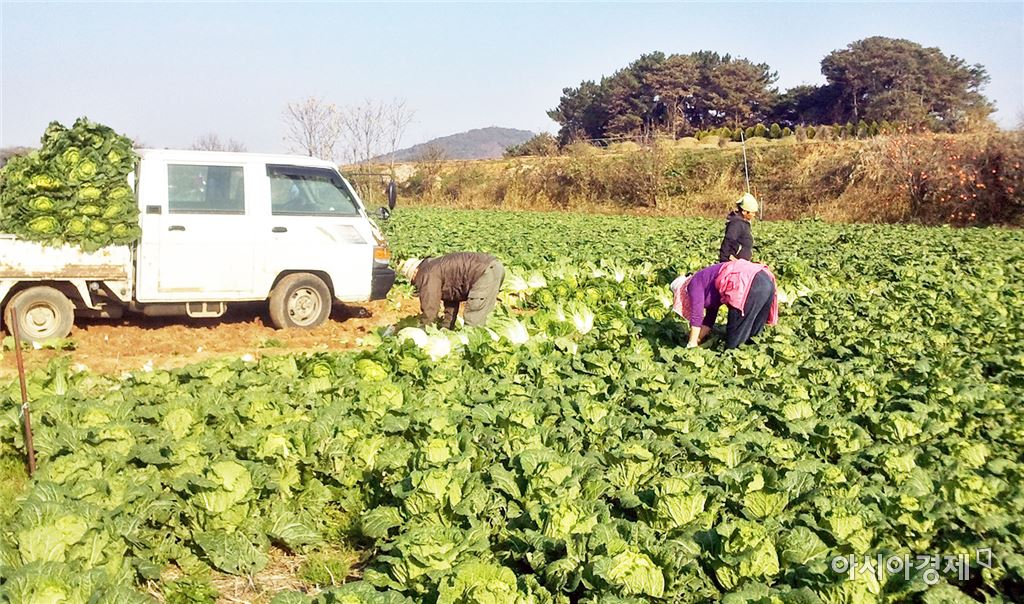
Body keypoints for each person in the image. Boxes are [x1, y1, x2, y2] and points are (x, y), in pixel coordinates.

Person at [671, 258, 778, 349]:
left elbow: (697, 316)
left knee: (735, 343)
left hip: (747, 284)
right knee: (753, 336)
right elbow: (709, 320)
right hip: (765, 280)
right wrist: (698, 339)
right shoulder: (707, 282)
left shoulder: (693, 284)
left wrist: (691, 344)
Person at [399, 253, 505, 329]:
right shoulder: (436, 267)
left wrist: (425, 328)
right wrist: (446, 327)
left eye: (413, 280)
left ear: (415, 271)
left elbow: (430, 305)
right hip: (492, 268)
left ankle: (469, 354)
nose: (416, 283)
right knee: (481, 315)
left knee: (474, 316)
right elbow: (452, 297)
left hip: (485, 271)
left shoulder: (427, 273)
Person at [719, 193, 759, 262]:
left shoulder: (744, 223)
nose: (754, 215)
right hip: (734, 264)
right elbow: (728, 243)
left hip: (743, 263)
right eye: (752, 213)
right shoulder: (736, 224)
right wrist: (732, 260)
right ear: (744, 212)